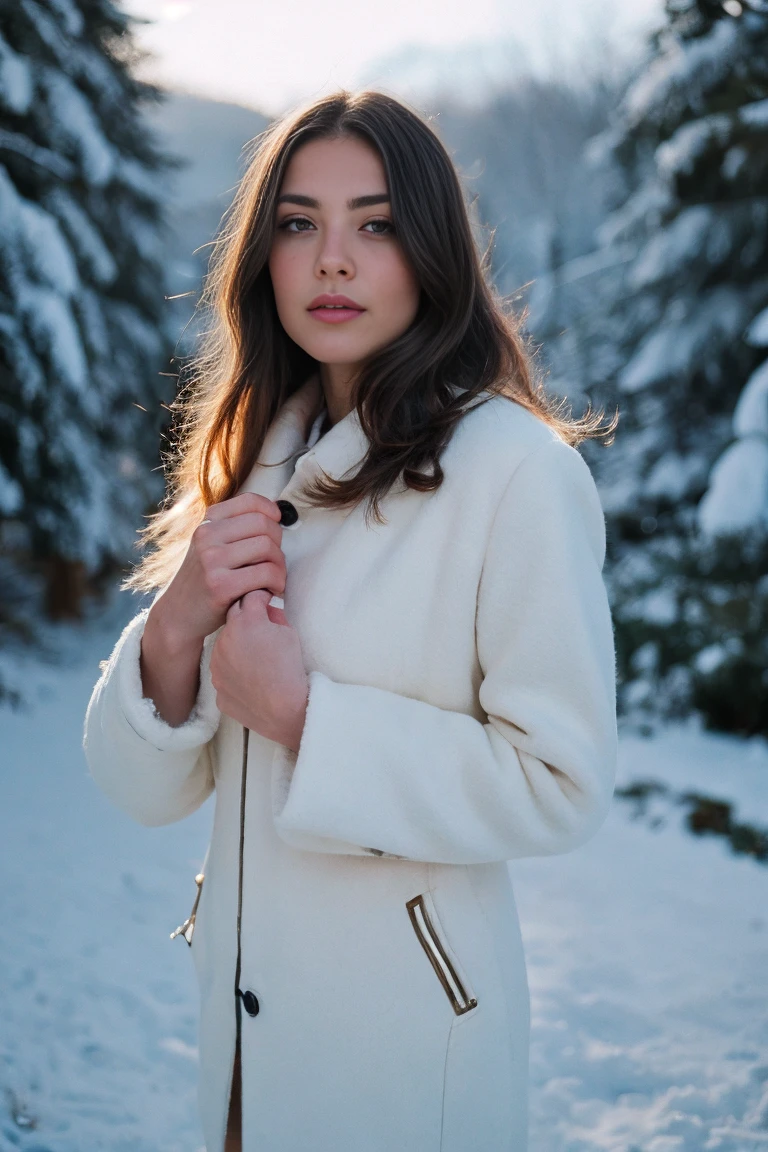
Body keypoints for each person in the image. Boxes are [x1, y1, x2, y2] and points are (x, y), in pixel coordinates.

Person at [83, 88, 618, 1152]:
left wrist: (305, 720)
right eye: (298, 224)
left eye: (373, 224)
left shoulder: (514, 474)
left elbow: (562, 784)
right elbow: (137, 792)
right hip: (245, 1056)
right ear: (262, 258)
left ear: (430, 252)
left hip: (405, 1069)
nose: (333, 259)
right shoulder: (255, 470)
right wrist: (177, 627)